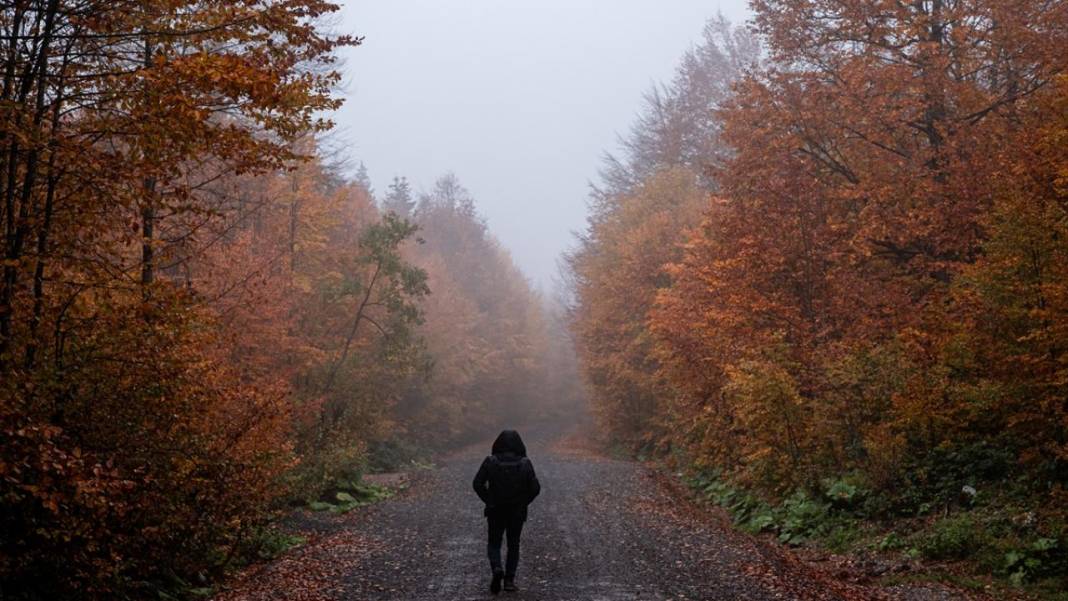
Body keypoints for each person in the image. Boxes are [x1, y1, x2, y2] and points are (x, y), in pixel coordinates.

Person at [472, 429, 541, 594]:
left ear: (498, 443)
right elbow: (535, 488)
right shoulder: (525, 462)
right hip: (516, 511)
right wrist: (523, 503)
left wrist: (489, 500)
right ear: (519, 444)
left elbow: (477, 484)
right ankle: (509, 581)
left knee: (494, 543)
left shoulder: (490, 461)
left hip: (496, 509)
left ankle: (497, 568)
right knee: (513, 544)